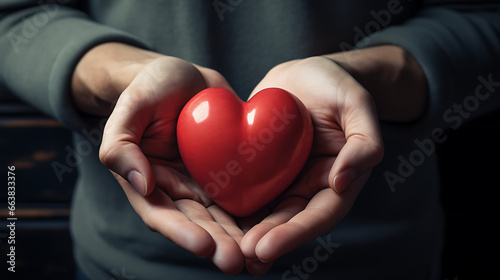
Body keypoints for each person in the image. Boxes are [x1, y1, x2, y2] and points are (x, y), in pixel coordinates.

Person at [1, 0, 499, 279]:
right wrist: (123, 76)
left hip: (379, 264)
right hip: (129, 265)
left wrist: (368, 77)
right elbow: (13, 16)